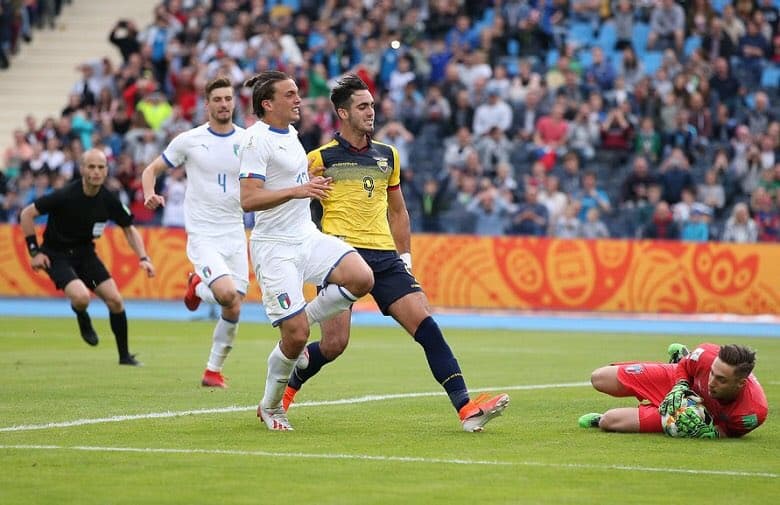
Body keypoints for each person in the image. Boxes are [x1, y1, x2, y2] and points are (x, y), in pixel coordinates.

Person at [287, 74, 510, 433]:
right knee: (334, 344)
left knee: (427, 326)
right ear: (342, 113)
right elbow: (296, 207)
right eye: (362, 106)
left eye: (372, 105)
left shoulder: (387, 155)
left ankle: (466, 408)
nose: (371, 111)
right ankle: (286, 389)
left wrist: (404, 258)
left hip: (385, 256)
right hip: (340, 257)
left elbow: (398, 212)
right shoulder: (319, 158)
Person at [238, 70, 374, 431]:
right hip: (275, 247)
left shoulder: (292, 135)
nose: (299, 99)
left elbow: (291, 184)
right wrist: (297, 191)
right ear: (268, 104)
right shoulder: (255, 140)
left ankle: (306, 317)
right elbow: (249, 199)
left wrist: (308, 184)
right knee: (296, 337)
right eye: (290, 94)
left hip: (305, 236)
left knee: (361, 277)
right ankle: (271, 406)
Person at [141, 76, 247, 389]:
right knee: (227, 293)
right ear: (208, 104)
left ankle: (212, 371)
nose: (224, 104)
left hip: (235, 232)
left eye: (228, 99)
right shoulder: (190, 140)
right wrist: (150, 192)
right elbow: (151, 170)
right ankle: (201, 283)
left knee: (234, 304)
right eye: (218, 99)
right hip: (203, 233)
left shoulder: (248, 140)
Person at [19, 149, 155, 366]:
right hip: (56, 255)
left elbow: (129, 229)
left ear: (106, 171)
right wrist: (34, 252)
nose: (96, 172)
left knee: (116, 301)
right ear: (82, 169)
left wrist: (144, 257)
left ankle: (125, 357)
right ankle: (82, 315)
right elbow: (27, 214)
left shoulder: (108, 199)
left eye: (101, 167)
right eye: (91, 167)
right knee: (81, 297)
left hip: (85, 254)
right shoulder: (64, 195)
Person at [579, 343, 768, 438]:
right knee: (599, 378)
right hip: (682, 383)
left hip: (693, 412)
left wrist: (702, 430)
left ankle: (598, 419)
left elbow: (724, 431)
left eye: (721, 380)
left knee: (608, 421)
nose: (712, 382)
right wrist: (680, 385)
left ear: (741, 384)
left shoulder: (752, 412)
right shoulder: (706, 354)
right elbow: (685, 368)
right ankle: (680, 357)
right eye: (712, 373)